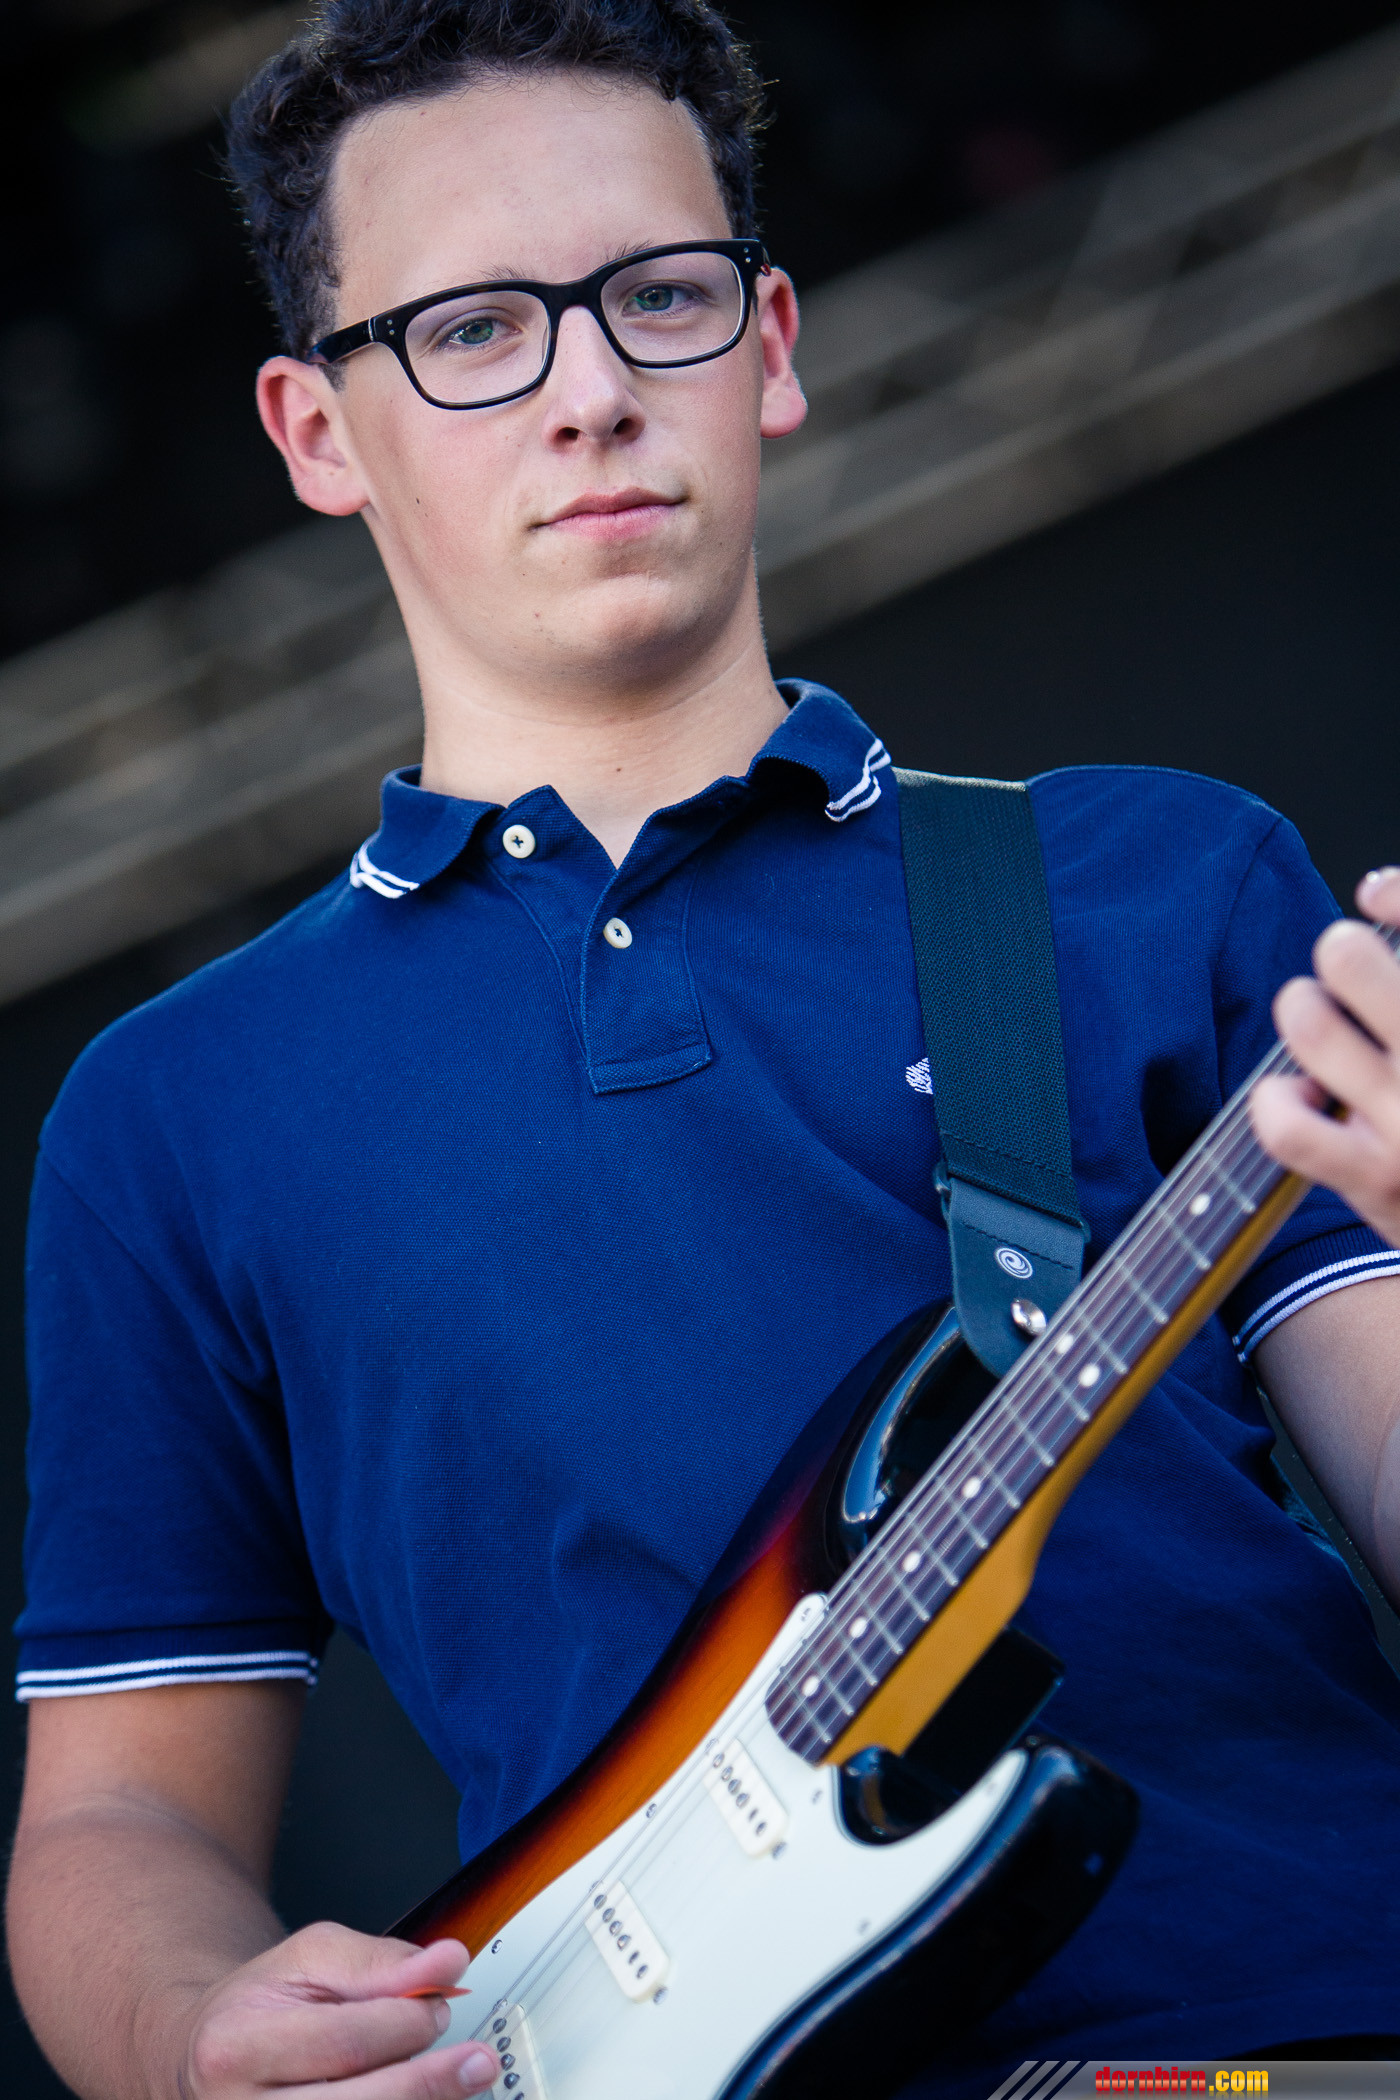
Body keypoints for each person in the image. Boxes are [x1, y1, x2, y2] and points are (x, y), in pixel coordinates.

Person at [8, 4, 1400, 2096]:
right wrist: (188, 2029)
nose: (589, 390)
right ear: (316, 433)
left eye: (656, 297)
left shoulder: (1155, 880)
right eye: (475, 330)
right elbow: (122, 1811)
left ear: (767, 346)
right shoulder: (174, 1114)